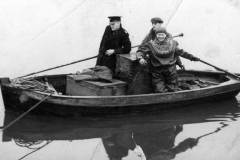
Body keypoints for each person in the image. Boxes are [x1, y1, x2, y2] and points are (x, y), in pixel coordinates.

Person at [137, 28, 199, 93]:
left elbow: (181, 52)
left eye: (162, 34)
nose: (160, 36)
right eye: (159, 34)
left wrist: (192, 57)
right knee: (159, 90)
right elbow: (140, 51)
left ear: (165, 35)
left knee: (173, 89)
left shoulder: (172, 43)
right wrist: (140, 58)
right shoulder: (150, 44)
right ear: (156, 35)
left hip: (171, 70)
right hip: (157, 71)